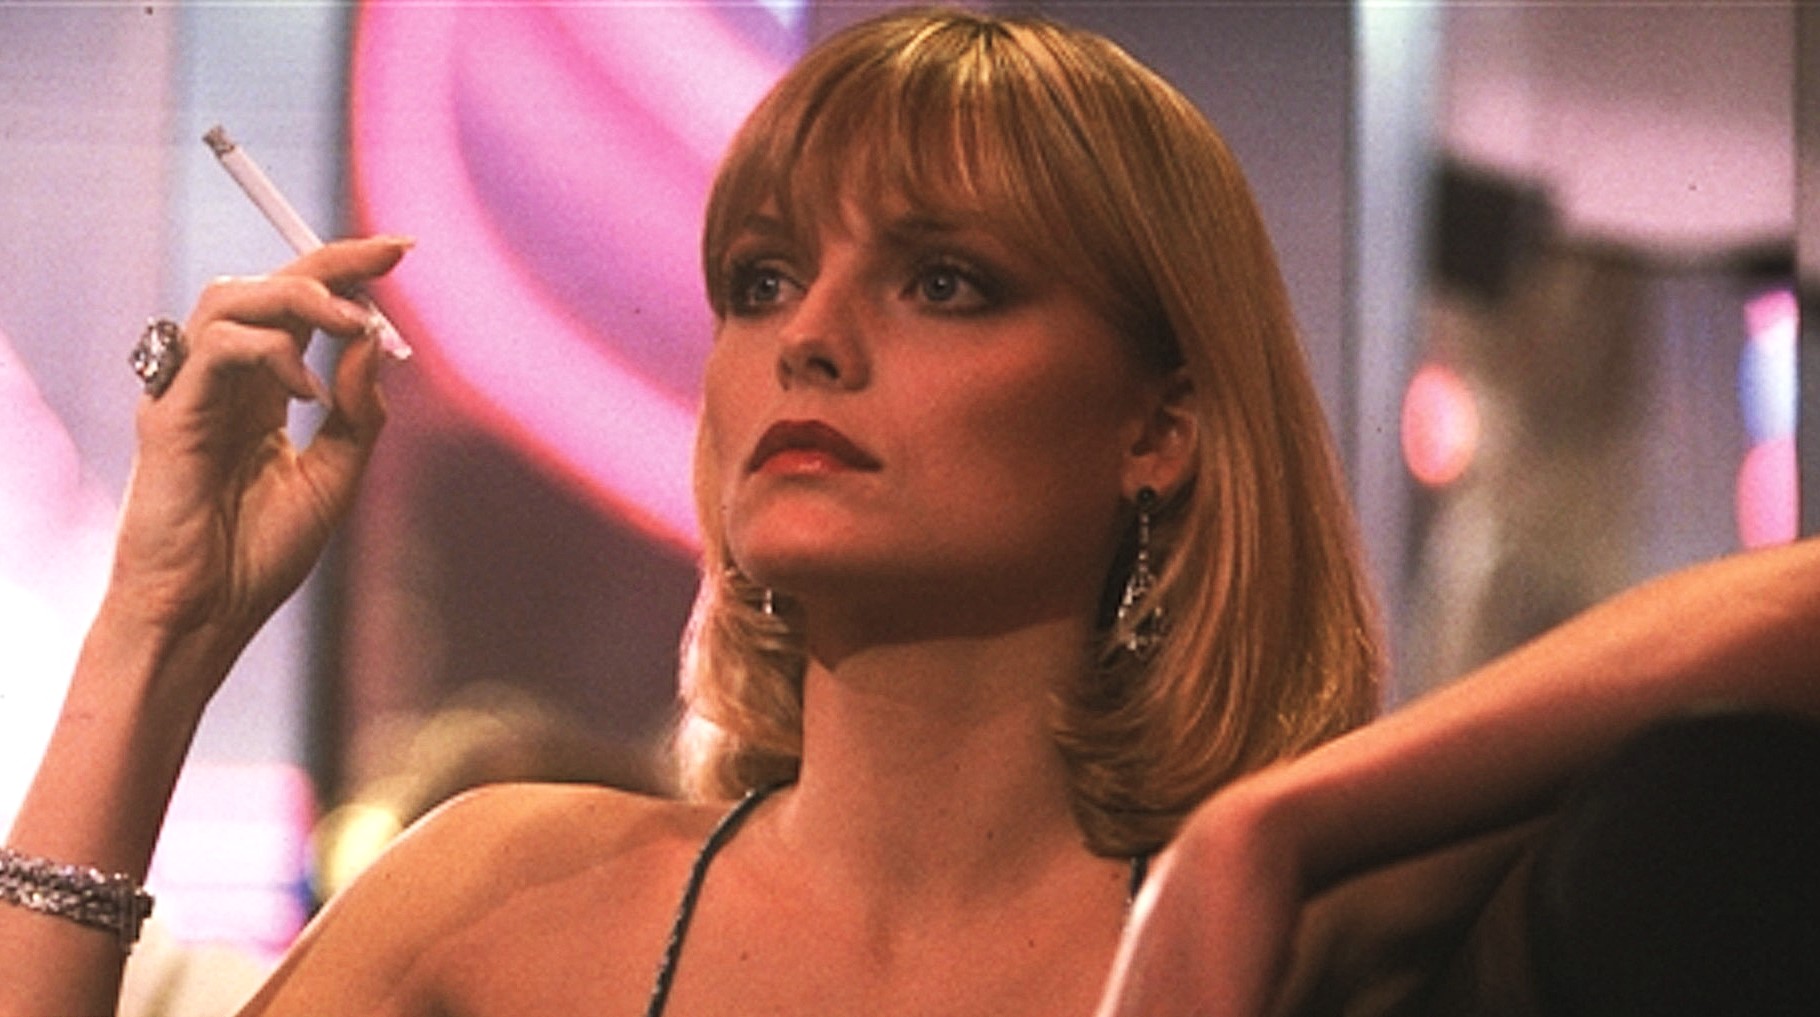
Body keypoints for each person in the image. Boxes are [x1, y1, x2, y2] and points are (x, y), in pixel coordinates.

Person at [2, 8, 1816, 1016]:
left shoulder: (1321, 930)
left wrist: (1259, 844)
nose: (810, 338)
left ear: (1161, 426)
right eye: (763, 278)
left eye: (944, 281)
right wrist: (157, 630)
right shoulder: (500, 900)